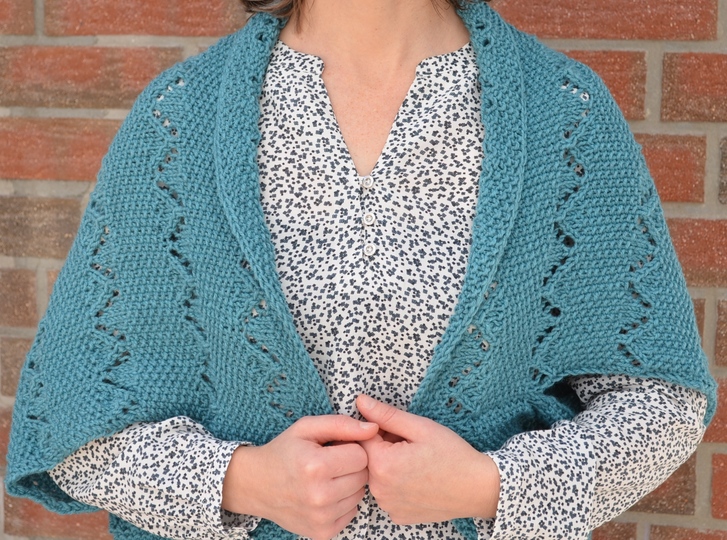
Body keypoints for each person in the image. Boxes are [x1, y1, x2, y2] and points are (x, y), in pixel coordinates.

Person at [5, 0, 717, 539]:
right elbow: (73, 426)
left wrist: (492, 486)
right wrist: (241, 482)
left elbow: (658, 401)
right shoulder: (177, 122)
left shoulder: (565, 116)